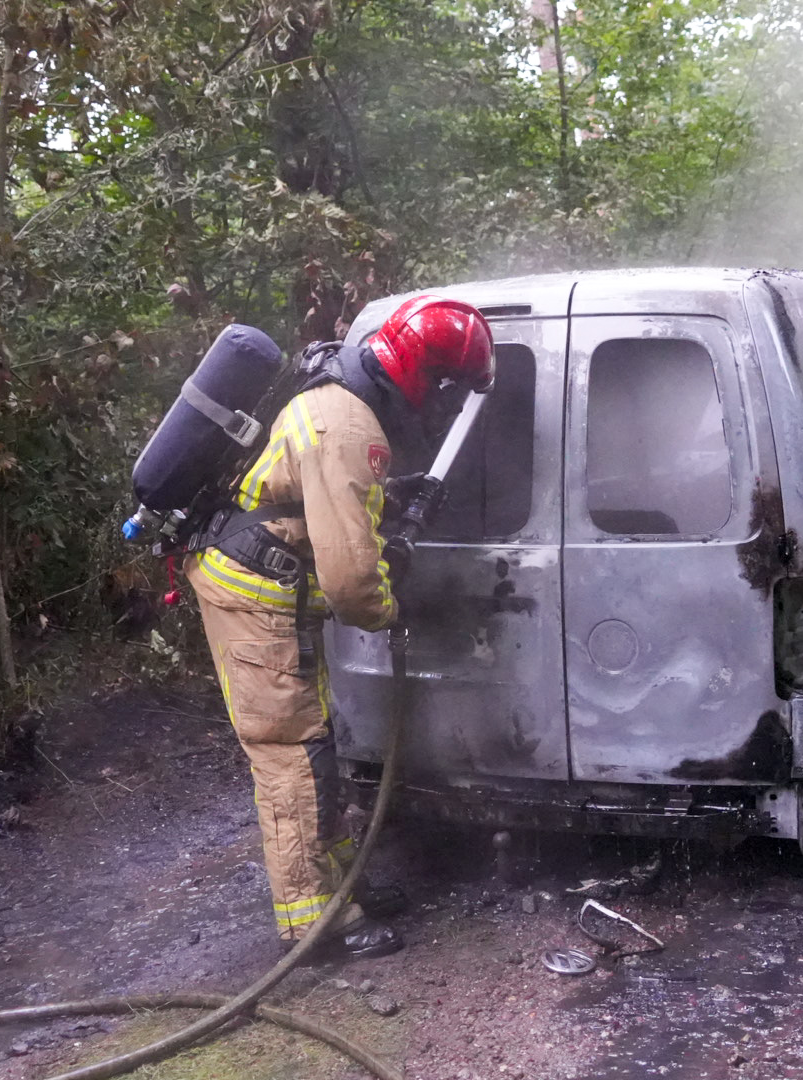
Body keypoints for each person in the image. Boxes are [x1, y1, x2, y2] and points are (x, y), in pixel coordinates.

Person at [184, 295, 495, 957]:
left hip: (275, 596)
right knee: (291, 757)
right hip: (255, 600)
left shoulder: (344, 399)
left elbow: (316, 497)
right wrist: (391, 608)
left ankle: (343, 882)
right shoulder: (349, 429)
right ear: (428, 379)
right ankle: (314, 925)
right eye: (448, 390)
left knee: (315, 745)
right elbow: (352, 586)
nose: (443, 408)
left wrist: (392, 498)